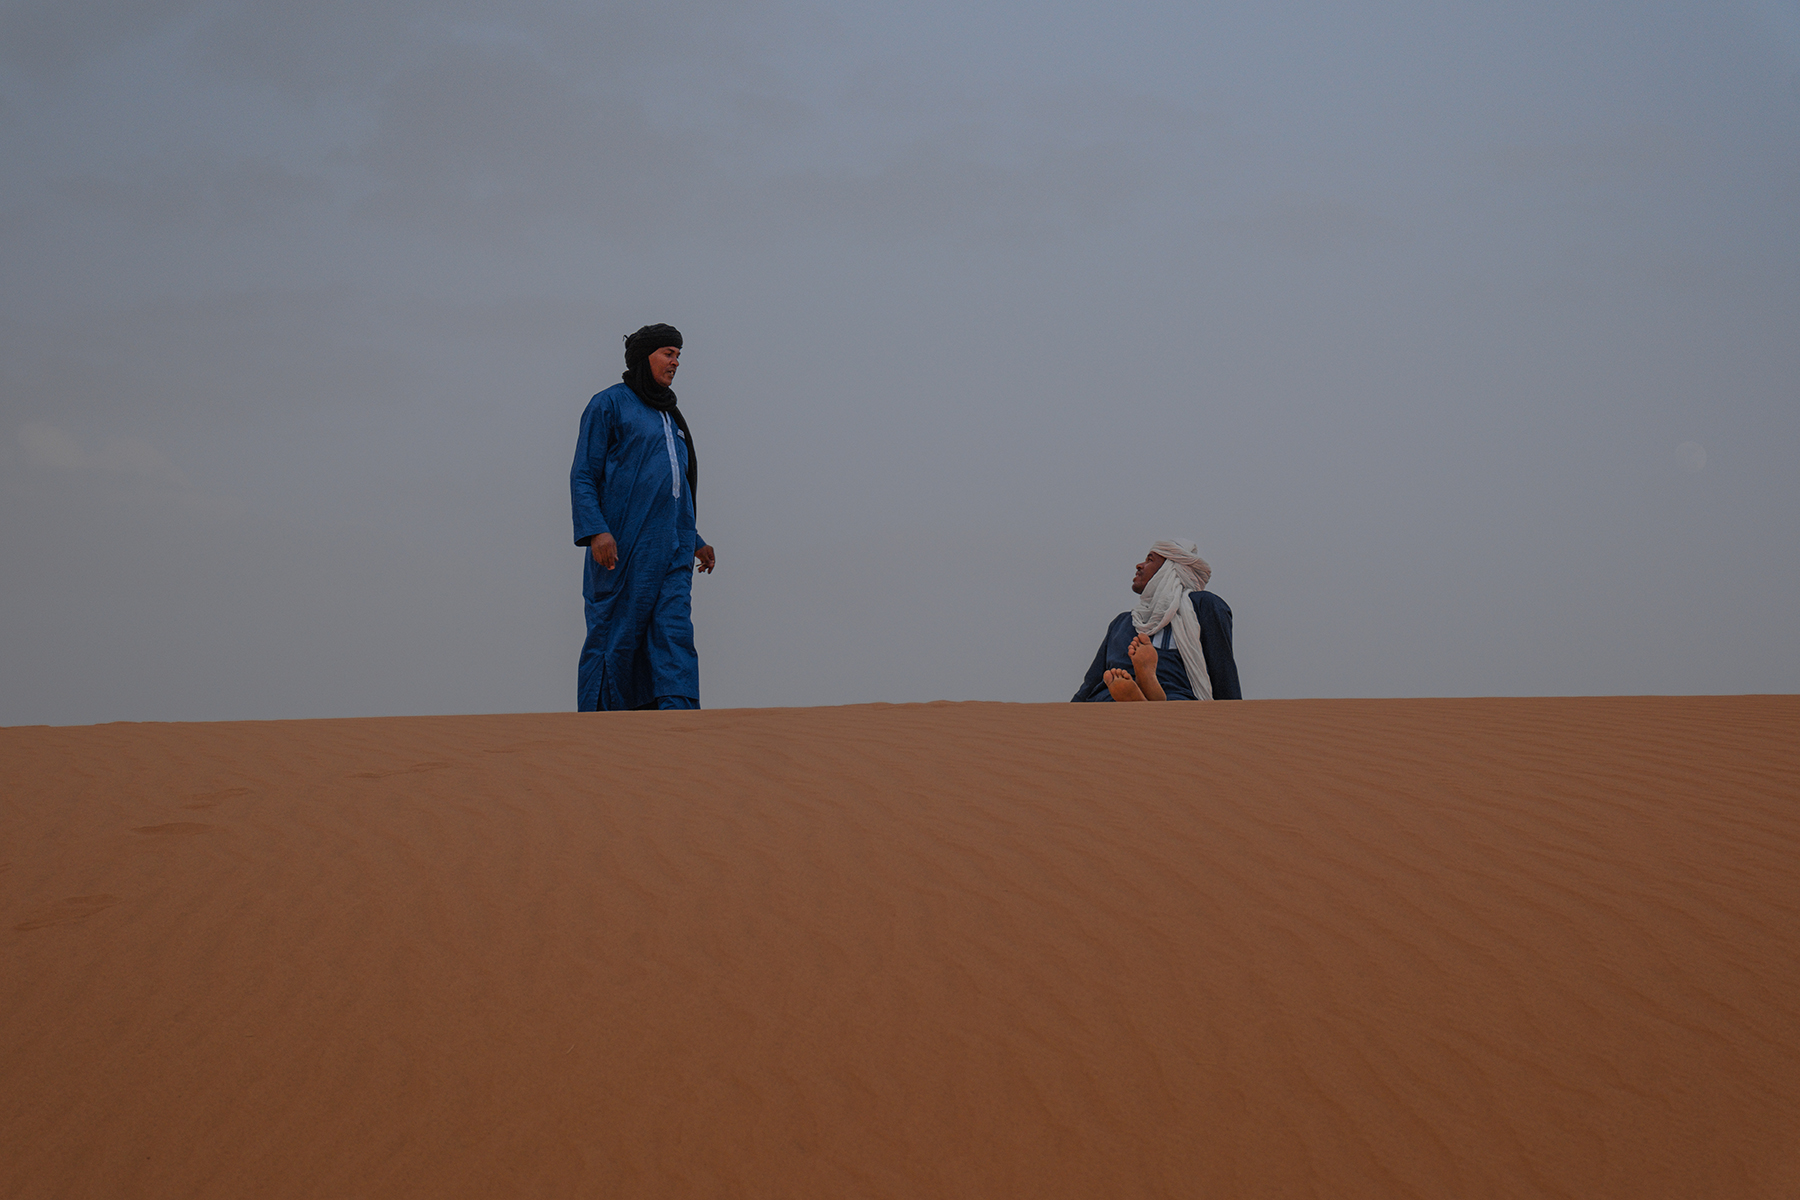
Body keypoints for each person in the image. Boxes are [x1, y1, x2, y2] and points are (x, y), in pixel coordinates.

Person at [569, 323, 716, 711]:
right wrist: (596, 530)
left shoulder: (670, 416)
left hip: (672, 549)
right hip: (621, 546)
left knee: (674, 631)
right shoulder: (609, 404)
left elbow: (676, 486)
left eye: (678, 355)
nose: (676, 362)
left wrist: (695, 539)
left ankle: (677, 721)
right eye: (669, 353)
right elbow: (584, 472)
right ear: (643, 357)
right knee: (616, 635)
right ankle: (603, 727)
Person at [1072, 540, 1242, 703]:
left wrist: (1232, 712)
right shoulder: (1122, 622)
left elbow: (1221, 667)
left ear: (1170, 568)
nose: (1139, 566)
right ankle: (1148, 696)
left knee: (1165, 699)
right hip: (1113, 698)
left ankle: (1149, 692)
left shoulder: (1202, 605)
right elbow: (1092, 680)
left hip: (1174, 698)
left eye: (1150, 560)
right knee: (1113, 688)